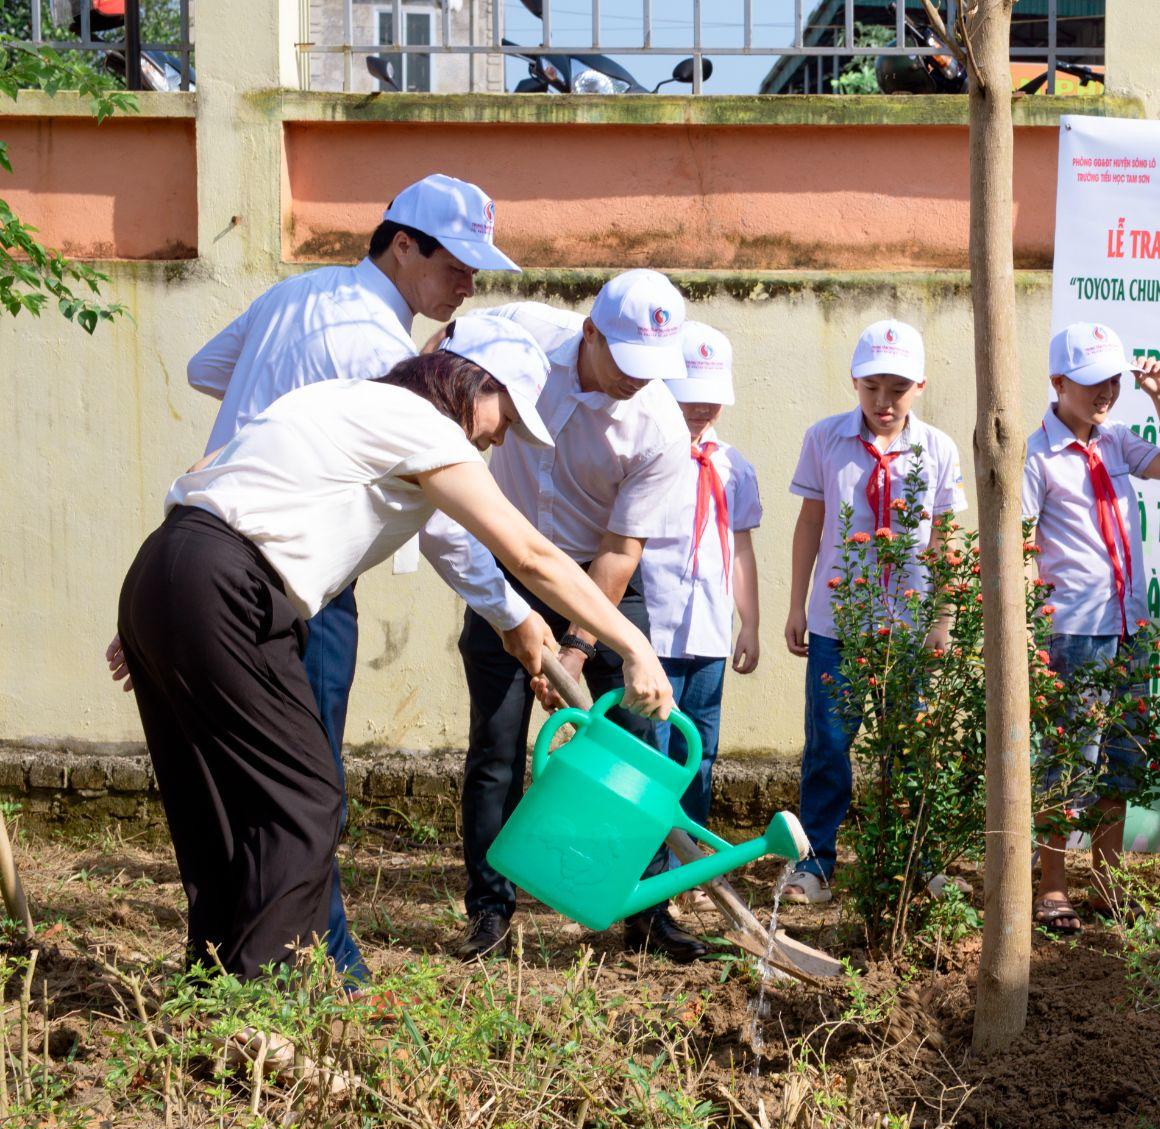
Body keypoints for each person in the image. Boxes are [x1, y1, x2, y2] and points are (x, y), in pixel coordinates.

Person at [113, 316, 670, 983]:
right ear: (471, 383)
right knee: (306, 798)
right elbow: (526, 552)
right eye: (505, 415)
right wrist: (632, 641)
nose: (498, 437)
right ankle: (260, 1002)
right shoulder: (424, 426)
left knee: (215, 797)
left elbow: (207, 473)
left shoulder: (338, 402)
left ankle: (211, 983)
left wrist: (166, 604)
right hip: (231, 585)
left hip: (168, 568)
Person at [120, 173, 536, 983]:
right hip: (291, 577)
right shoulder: (384, 358)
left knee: (244, 785)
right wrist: (513, 618)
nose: (467, 285)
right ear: (402, 244)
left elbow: (209, 367)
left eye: (477, 271)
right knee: (304, 787)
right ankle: (317, 965)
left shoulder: (297, 292)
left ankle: (250, 966)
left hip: (203, 539)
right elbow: (453, 523)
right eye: (456, 263)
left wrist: (275, 404)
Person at [419, 271, 704, 964]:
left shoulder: (660, 426)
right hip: (501, 569)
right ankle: (489, 910)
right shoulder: (520, 332)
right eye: (628, 361)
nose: (640, 380)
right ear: (590, 334)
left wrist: (574, 652)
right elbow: (436, 357)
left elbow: (619, 549)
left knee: (636, 742)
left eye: (653, 366)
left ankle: (646, 909)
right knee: (496, 744)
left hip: (595, 581)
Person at [782, 320, 967, 904]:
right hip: (838, 624)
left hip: (909, 628)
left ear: (920, 387)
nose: (883, 403)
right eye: (872, 388)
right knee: (829, 746)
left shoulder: (937, 448)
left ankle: (917, 862)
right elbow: (811, 523)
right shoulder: (824, 438)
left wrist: (942, 619)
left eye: (897, 389)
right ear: (854, 383)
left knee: (910, 745)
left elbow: (943, 540)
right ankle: (815, 864)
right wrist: (796, 604)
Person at [1021, 322, 1160, 934]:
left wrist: (1159, 396)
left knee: (1121, 759)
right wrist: (1028, 630)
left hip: (1129, 627)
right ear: (1058, 382)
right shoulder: (1037, 455)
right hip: (1074, 631)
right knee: (1067, 763)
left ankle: (1104, 883)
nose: (1106, 393)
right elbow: (1018, 541)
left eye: (1113, 381)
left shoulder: (1117, 440)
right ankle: (1052, 884)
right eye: (1093, 382)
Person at [641, 321, 762, 843]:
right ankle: (647, 857)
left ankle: (692, 860)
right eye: (690, 397)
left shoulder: (735, 466)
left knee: (702, 748)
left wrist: (750, 623)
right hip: (651, 632)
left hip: (708, 633)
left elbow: (739, 548)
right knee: (652, 746)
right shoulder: (643, 456)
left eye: (711, 399)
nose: (701, 410)